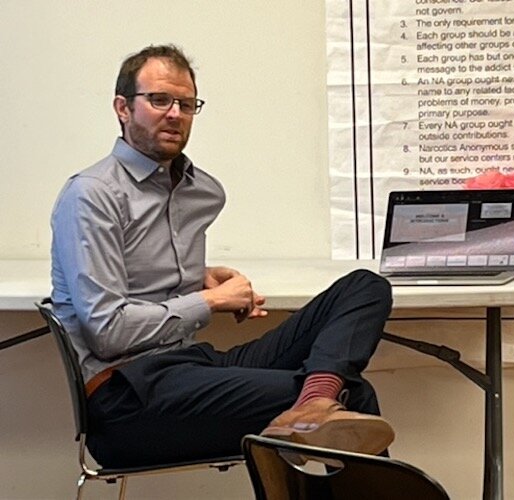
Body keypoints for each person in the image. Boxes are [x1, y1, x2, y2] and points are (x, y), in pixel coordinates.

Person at [50, 44, 394, 468]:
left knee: (364, 287)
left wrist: (194, 277)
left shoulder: (202, 190)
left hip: (190, 364)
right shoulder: (92, 195)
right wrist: (210, 300)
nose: (175, 113)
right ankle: (314, 409)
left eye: (187, 103)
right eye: (159, 100)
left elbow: (137, 270)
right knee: (353, 394)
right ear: (123, 108)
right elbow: (108, 333)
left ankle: (312, 406)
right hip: (126, 394)